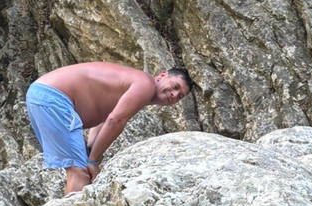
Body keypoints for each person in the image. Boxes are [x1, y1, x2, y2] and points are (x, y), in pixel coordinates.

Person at [26, 62, 193, 195]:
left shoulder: (135, 86)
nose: (174, 95)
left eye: (179, 96)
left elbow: (105, 119)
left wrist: (91, 154)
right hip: (54, 98)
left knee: (78, 167)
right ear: (162, 76)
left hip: (41, 95)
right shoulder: (146, 84)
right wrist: (92, 161)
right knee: (80, 172)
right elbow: (115, 121)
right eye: (175, 86)